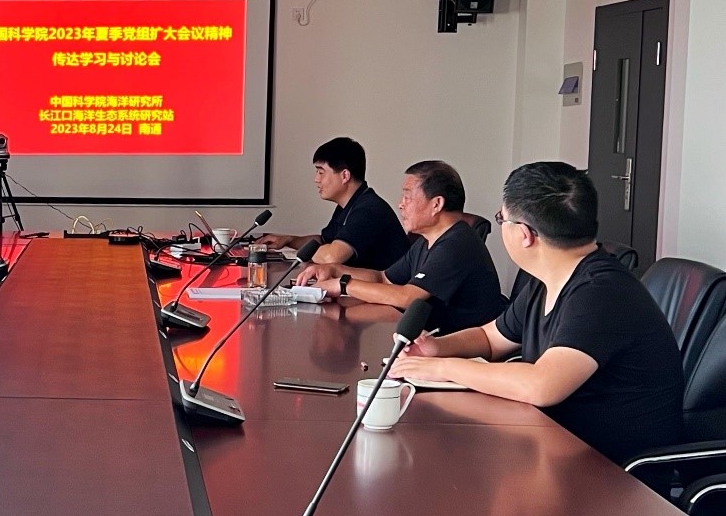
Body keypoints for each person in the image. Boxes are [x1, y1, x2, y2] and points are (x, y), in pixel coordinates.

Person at [390, 162, 683, 464]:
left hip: (609, 471)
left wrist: (442, 368)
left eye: (501, 219)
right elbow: (491, 338)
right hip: (553, 445)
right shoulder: (548, 280)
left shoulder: (601, 293)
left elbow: (542, 385)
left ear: (524, 234)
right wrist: (437, 347)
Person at [300, 160, 505, 334]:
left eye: (408, 197)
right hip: (430, 340)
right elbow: (383, 278)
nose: (400, 204)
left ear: (436, 204)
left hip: (463, 352)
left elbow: (408, 297)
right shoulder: (426, 240)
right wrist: (335, 270)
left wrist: (344, 284)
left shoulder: (457, 243)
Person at [261, 137, 409, 269]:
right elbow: (323, 241)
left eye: (321, 172)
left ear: (345, 176)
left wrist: (301, 253)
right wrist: (288, 240)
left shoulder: (368, 209)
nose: (316, 179)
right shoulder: (350, 204)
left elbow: (332, 256)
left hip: (386, 290)